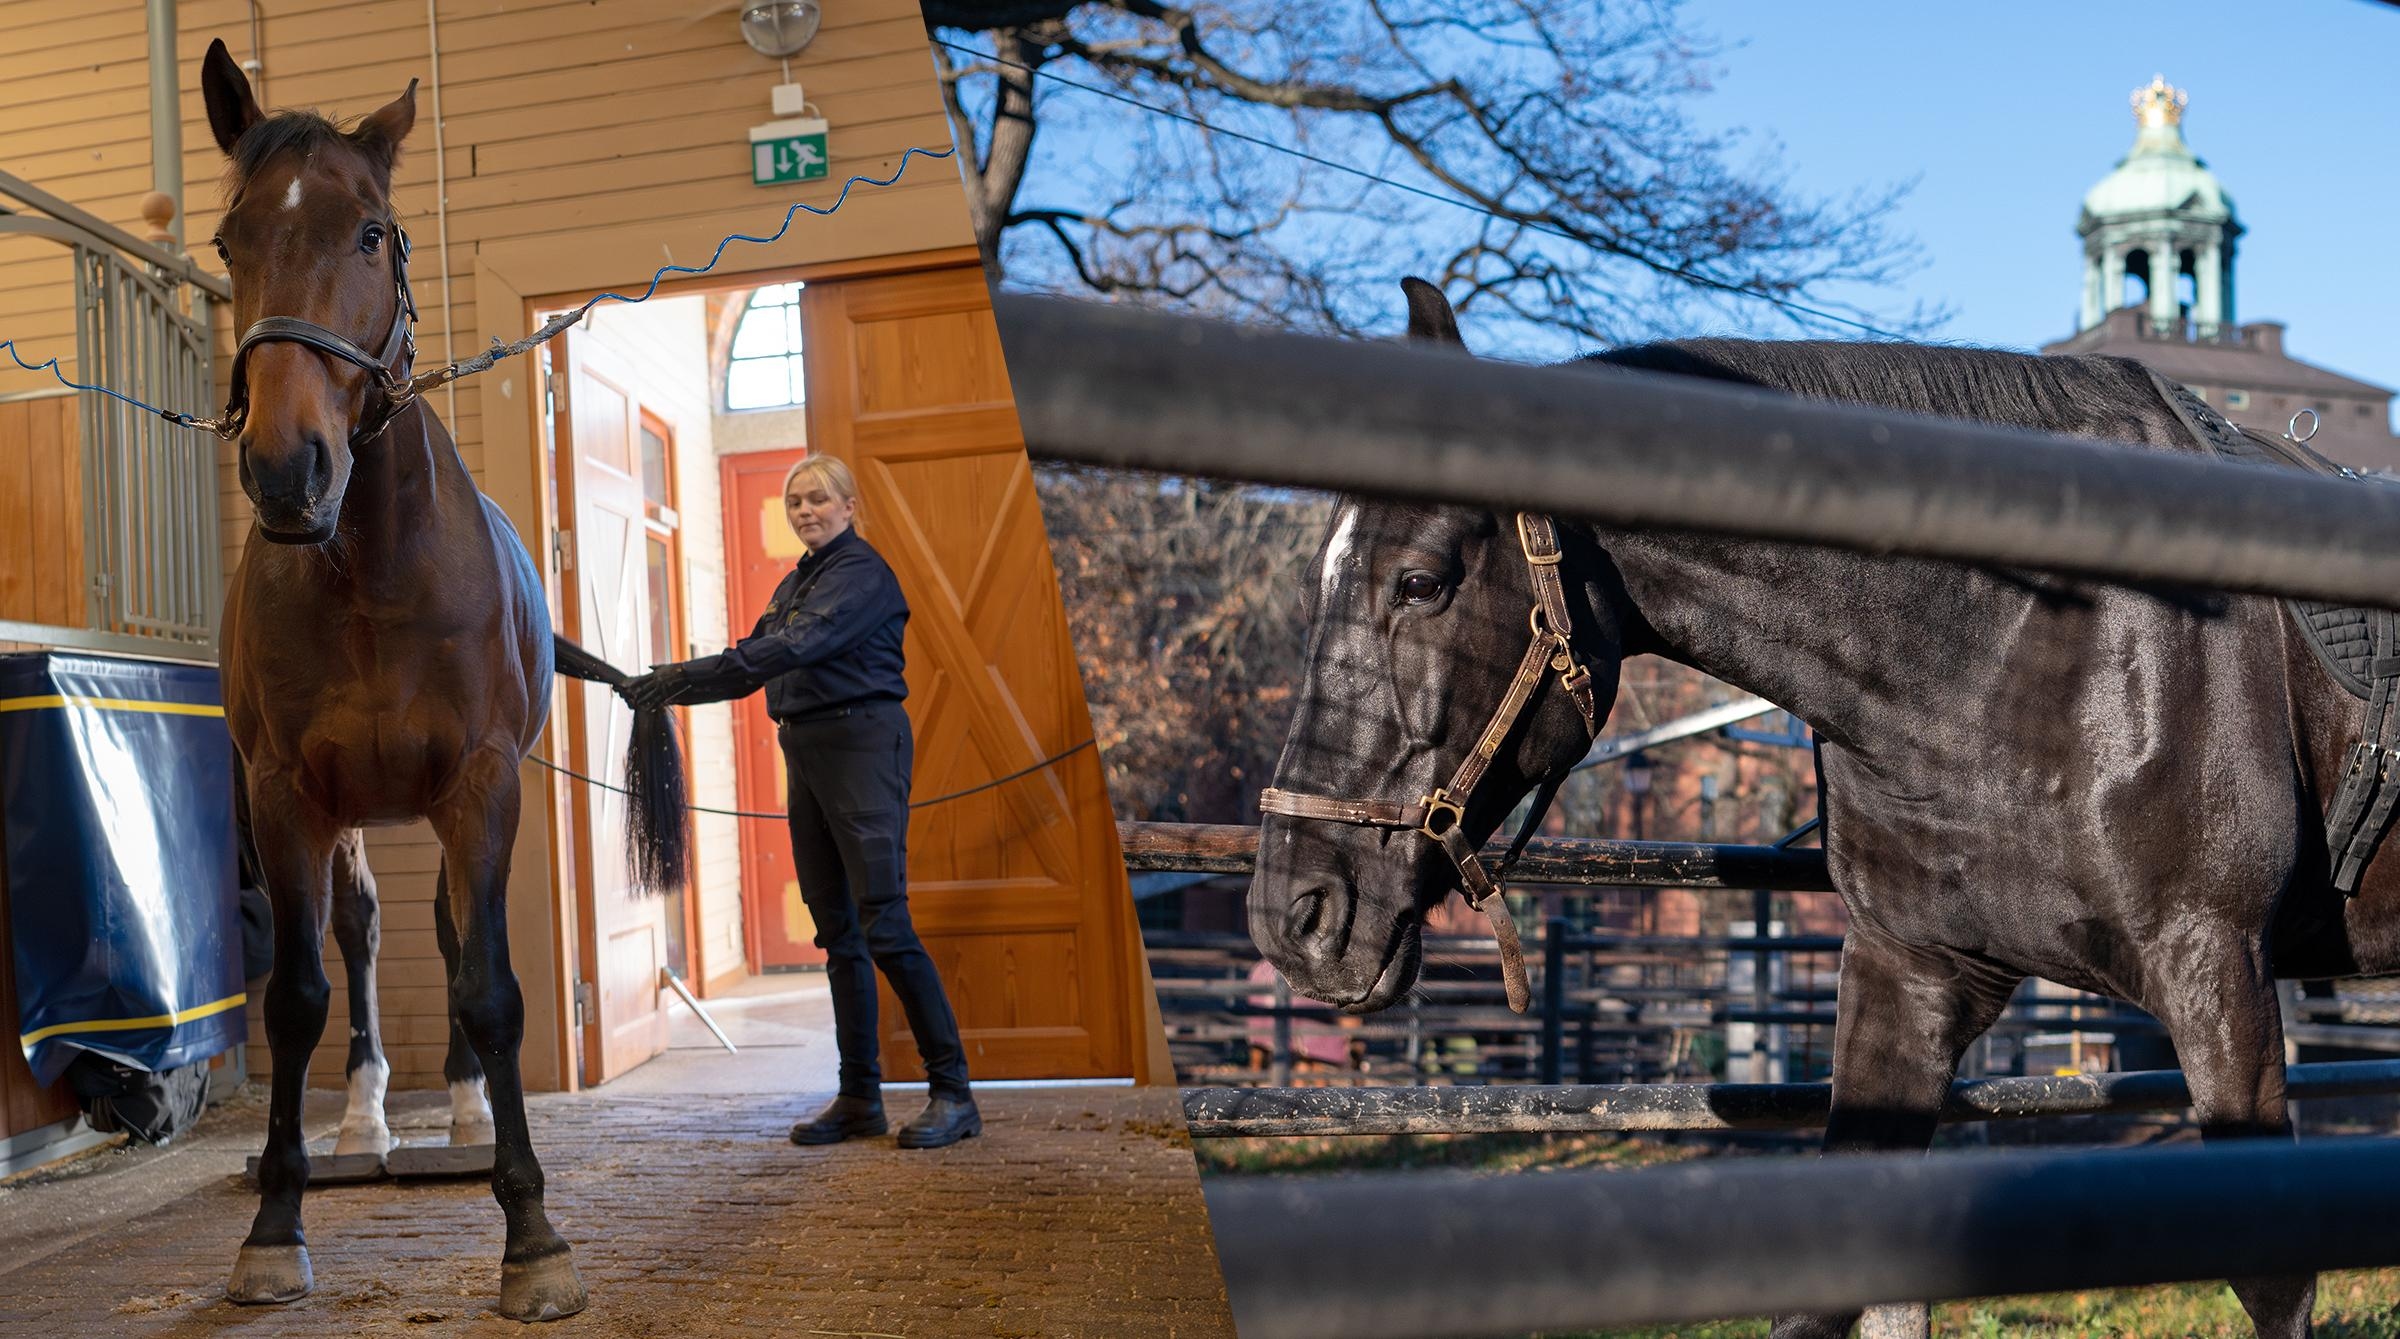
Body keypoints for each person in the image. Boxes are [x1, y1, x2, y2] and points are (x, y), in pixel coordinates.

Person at [619, 455, 977, 1149]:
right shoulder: (796, 583)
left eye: (818, 499)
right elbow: (750, 659)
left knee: (885, 926)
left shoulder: (860, 576)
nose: (806, 510)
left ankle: (953, 1091)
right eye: (795, 502)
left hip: (862, 747)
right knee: (837, 934)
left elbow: (787, 650)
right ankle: (859, 1096)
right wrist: (663, 687)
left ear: (848, 505)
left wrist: (675, 677)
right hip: (808, 751)